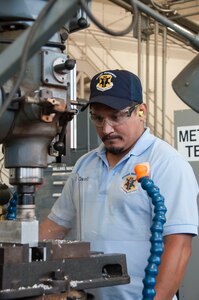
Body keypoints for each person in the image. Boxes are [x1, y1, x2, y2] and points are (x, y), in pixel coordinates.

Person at [39, 69, 199, 300]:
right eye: (98, 117)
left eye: (116, 116)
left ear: (141, 111)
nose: (106, 129)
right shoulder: (85, 165)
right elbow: (56, 225)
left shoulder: (167, 163)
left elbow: (179, 246)